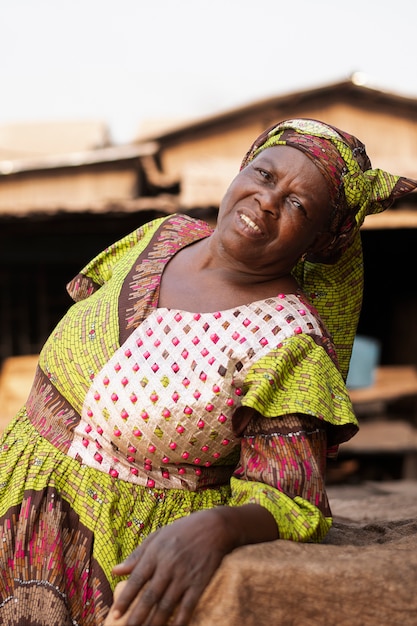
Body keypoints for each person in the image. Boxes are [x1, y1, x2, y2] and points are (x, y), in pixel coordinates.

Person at [0, 118, 416, 626]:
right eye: (264, 175)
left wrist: (219, 527)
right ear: (241, 171)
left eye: (298, 205)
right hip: (15, 497)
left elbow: (290, 498)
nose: (267, 201)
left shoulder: (289, 342)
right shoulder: (161, 236)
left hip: (115, 563)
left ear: (320, 240)